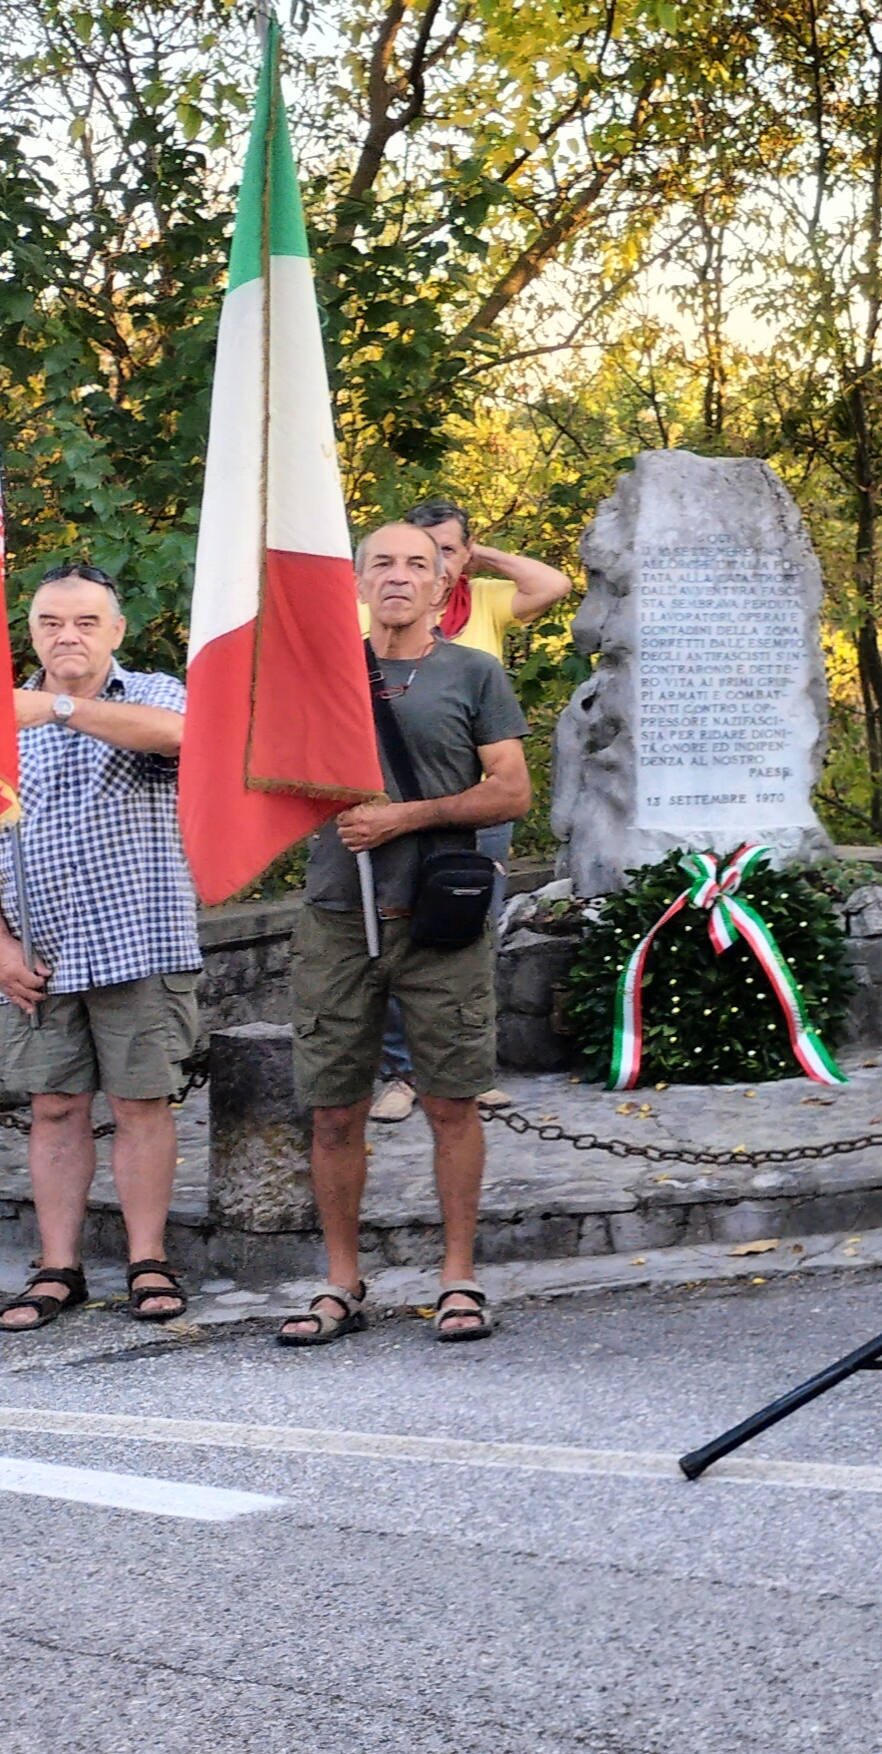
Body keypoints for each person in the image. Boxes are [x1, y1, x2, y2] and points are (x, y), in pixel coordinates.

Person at [0, 562, 198, 1331]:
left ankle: (148, 1262)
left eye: (84, 621)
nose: (66, 635)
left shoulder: (155, 691)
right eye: (50, 622)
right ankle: (58, 1268)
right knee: (53, 1108)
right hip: (38, 954)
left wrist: (58, 706)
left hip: (141, 941)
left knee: (142, 1104)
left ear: (116, 629)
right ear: (31, 629)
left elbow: (179, 739)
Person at [277, 520, 530, 1349]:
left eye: (416, 565)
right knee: (333, 1111)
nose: (398, 577)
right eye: (381, 563)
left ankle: (457, 1278)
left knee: (452, 1104)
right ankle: (341, 1282)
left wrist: (405, 818)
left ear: (440, 584)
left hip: (437, 921)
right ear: (357, 580)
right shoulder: (318, 675)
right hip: (337, 919)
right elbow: (263, 774)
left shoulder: (472, 672)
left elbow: (510, 794)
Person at [365, 497, 573, 1124]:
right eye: (410, 554)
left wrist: (474, 557)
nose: (429, 568)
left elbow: (554, 584)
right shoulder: (374, 611)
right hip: (389, 809)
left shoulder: (481, 603)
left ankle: (465, 1068)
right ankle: (401, 1073)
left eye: (444, 552)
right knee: (394, 943)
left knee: (467, 933)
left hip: (477, 803)